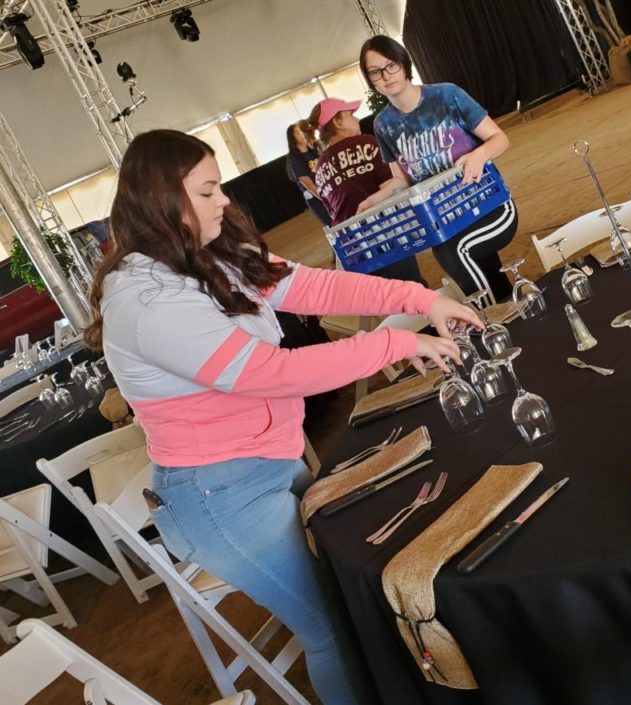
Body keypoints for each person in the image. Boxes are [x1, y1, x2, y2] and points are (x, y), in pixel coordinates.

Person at [83, 129, 480, 705]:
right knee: (332, 630)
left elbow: (310, 285)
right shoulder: (144, 300)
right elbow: (269, 372)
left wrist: (418, 301)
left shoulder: (204, 250)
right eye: (208, 190)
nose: (224, 201)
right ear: (164, 202)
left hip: (269, 459)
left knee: (351, 597)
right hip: (219, 495)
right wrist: (394, 346)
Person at [359, 35, 518, 304]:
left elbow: (500, 139)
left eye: (391, 66)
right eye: (375, 72)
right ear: (369, 80)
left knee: (450, 251)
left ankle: (490, 319)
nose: (385, 76)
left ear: (403, 63)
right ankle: (507, 311)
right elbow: (401, 180)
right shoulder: (383, 124)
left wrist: (479, 155)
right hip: (448, 218)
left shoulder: (446, 95)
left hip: (490, 205)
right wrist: (373, 200)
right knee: (490, 274)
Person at [308, 97, 425, 284]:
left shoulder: (320, 167)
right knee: (413, 289)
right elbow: (391, 188)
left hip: (353, 251)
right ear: (338, 122)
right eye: (351, 115)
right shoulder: (366, 143)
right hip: (385, 237)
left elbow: (332, 211)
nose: (357, 119)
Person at [285, 122, 330, 226]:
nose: (302, 133)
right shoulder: (295, 159)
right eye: (297, 132)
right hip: (319, 200)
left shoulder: (314, 151)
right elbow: (309, 186)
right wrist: (326, 201)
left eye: (302, 131)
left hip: (329, 192)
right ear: (293, 138)